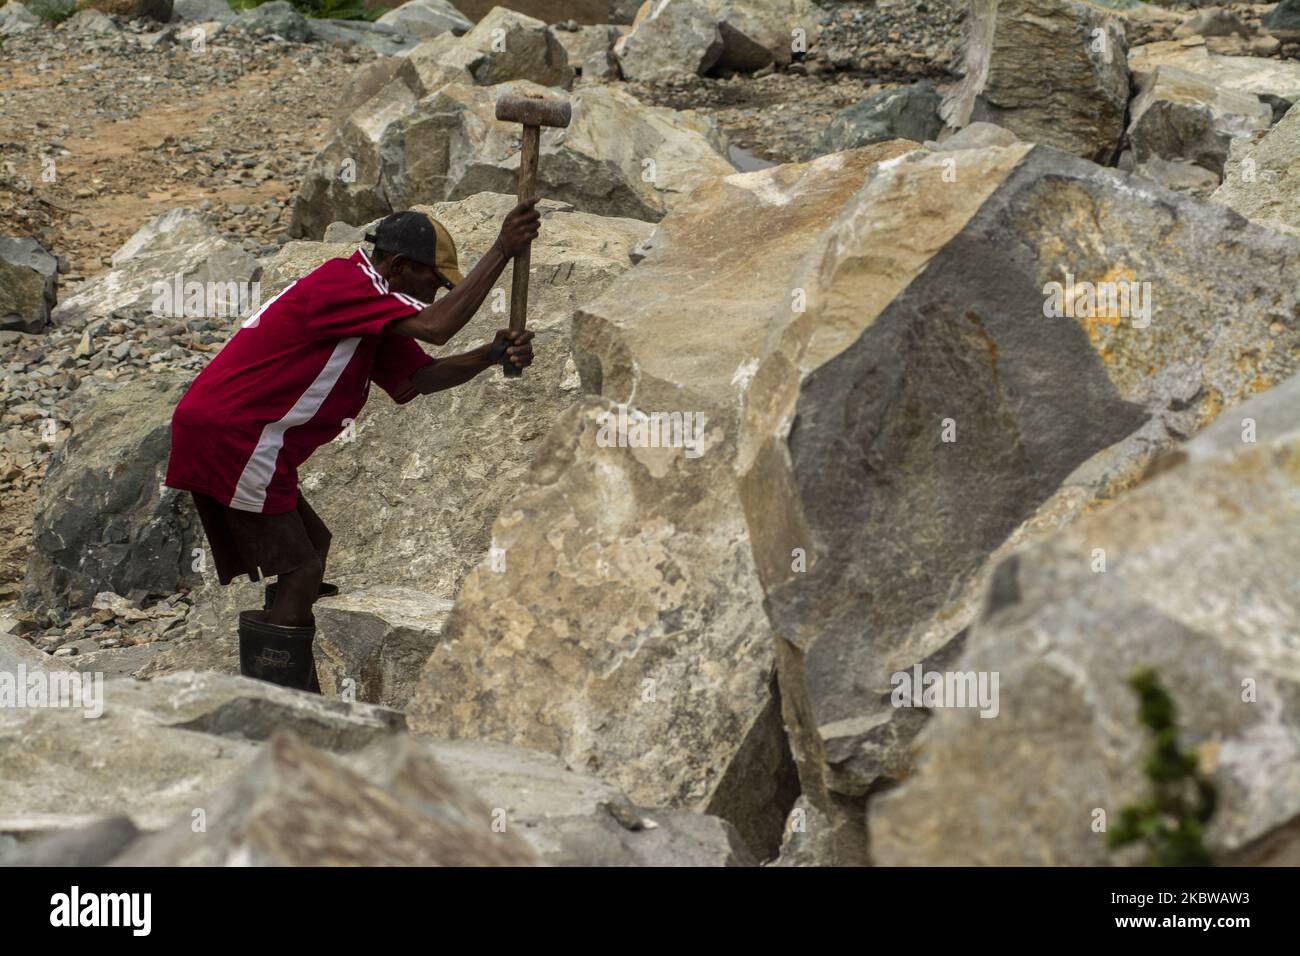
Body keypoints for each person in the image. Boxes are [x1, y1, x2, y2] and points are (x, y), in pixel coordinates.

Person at [164, 200, 541, 692]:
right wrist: (502, 250)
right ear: (399, 266)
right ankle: (284, 703)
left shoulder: (368, 307)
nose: (435, 293)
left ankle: (281, 674)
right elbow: (438, 327)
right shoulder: (347, 285)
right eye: (434, 281)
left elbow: (420, 377)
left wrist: (489, 356)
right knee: (300, 568)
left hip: (246, 437)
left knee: (312, 547)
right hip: (236, 437)